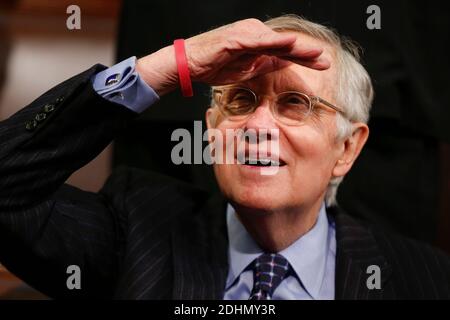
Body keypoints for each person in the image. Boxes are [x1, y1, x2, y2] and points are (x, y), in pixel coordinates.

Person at [0, 15, 449, 300]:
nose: (258, 126)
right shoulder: (135, 230)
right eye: (240, 101)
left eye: (296, 103)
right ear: (212, 131)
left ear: (347, 148)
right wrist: (172, 64)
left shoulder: (426, 278)